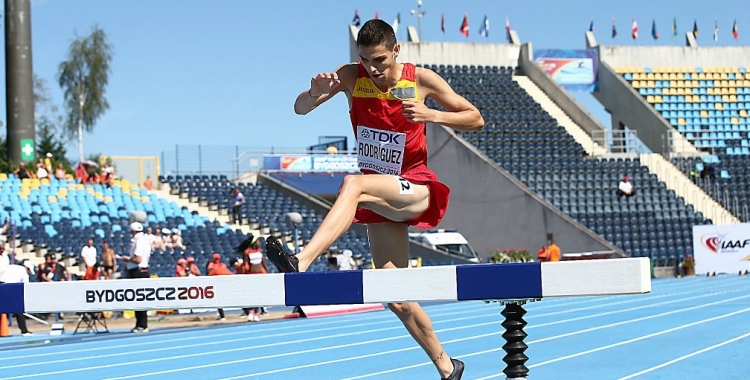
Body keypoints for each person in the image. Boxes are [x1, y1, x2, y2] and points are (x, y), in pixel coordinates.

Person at [266, 19, 482, 379]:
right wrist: (312, 91)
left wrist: (432, 114)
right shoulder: (351, 76)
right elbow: (300, 109)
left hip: (415, 186)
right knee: (394, 295)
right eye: (366, 60)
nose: (373, 68)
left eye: (380, 60)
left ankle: (300, 262)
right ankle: (448, 367)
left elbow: (475, 118)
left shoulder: (420, 79)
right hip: (382, 195)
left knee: (353, 185)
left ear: (396, 51)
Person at [120, 222, 151, 333]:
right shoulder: (145, 240)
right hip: (143, 270)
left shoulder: (138, 241)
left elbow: (138, 259)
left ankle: (141, 325)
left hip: (137, 271)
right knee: (141, 298)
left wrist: (127, 259)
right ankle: (142, 324)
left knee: (138, 299)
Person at [0, 251, 35, 336]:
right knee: (19, 309)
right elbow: (26, 287)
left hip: (2, 284)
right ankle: (24, 330)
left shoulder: (12, 266)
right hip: (8, 286)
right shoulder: (24, 273)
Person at [236, 236, 268, 322]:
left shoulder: (260, 251)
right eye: (257, 241)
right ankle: (250, 312)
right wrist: (244, 274)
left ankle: (256, 313)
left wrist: (266, 271)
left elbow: (263, 262)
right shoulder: (247, 252)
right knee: (250, 294)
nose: (259, 242)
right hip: (251, 274)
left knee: (258, 294)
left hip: (260, 273)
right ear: (254, 242)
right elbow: (245, 264)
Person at [207, 253, 233, 321]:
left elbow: (210, 274)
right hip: (222, 284)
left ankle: (222, 316)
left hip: (220, 284)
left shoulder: (214, 266)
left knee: (218, 301)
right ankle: (222, 315)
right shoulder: (221, 265)